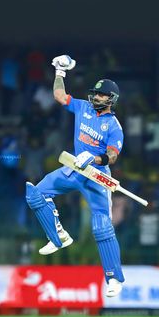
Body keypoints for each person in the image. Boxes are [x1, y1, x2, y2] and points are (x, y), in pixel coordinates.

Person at [26, 55, 124, 297]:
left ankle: (114, 278)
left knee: (101, 227)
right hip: (74, 168)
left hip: (96, 176)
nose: (97, 97)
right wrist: (60, 72)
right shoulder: (83, 107)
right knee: (35, 193)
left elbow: (112, 156)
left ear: (111, 99)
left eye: (102, 95)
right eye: (96, 93)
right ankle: (58, 235)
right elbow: (60, 96)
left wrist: (95, 158)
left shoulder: (114, 126)